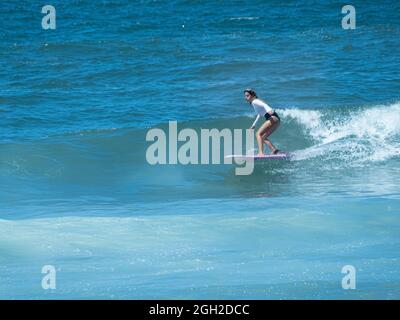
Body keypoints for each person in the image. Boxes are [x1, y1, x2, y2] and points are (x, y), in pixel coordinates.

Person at [244, 88, 281, 155]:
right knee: (263, 137)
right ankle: (274, 150)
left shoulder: (255, 101)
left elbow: (264, 105)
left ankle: (261, 153)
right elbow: (260, 113)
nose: (246, 97)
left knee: (258, 134)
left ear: (252, 95)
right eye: (245, 96)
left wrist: (269, 109)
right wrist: (254, 125)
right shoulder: (254, 102)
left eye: (247, 95)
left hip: (272, 117)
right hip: (276, 120)